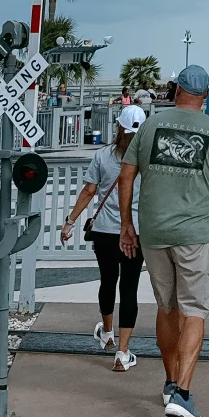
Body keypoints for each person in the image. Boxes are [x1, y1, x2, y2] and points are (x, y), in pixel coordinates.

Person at [119, 64, 209, 417]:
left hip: (154, 233)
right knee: (194, 310)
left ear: (176, 91)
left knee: (166, 306)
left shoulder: (149, 127)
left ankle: (170, 381)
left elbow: (126, 175)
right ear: (206, 97)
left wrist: (127, 225)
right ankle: (184, 394)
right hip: (192, 235)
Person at [62, 106, 146, 371]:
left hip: (106, 231)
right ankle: (123, 353)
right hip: (136, 232)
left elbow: (89, 191)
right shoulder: (149, 160)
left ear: (118, 127)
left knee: (108, 280)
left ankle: (108, 333)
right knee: (129, 287)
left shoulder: (103, 156)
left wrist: (70, 221)